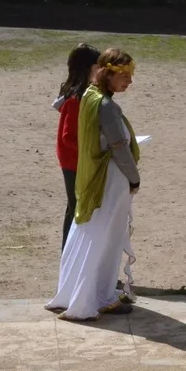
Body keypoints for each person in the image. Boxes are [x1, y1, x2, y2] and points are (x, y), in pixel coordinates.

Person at [46, 48, 142, 321]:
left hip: (95, 177)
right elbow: (118, 148)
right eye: (124, 75)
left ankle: (73, 292)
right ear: (108, 74)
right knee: (106, 238)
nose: (129, 81)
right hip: (110, 180)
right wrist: (134, 177)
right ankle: (100, 296)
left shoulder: (89, 94)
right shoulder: (106, 105)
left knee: (86, 232)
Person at [53, 43, 101, 251]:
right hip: (75, 162)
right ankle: (73, 256)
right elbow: (68, 137)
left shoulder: (83, 93)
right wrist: (95, 149)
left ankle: (69, 254)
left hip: (77, 159)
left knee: (73, 208)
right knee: (77, 210)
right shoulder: (76, 98)